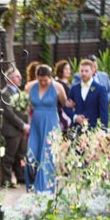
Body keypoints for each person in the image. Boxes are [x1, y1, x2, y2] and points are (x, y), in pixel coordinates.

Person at [26, 65, 70, 193]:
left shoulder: (57, 87)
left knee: (47, 155)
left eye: (45, 80)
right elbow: (27, 106)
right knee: (31, 154)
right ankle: (33, 184)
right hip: (35, 124)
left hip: (51, 123)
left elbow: (64, 104)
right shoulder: (30, 87)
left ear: (50, 77)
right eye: (40, 80)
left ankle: (44, 189)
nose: (43, 82)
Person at [1, 68, 29, 186]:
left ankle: (20, 177)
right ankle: (6, 181)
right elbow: (9, 113)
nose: (20, 78)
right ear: (10, 79)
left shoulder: (19, 92)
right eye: (17, 76)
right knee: (9, 156)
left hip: (21, 130)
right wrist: (22, 125)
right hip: (12, 130)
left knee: (20, 155)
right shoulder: (5, 93)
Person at [68, 59, 109, 131]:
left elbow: (104, 112)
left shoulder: (100, 89)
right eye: (81, 71)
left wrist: (103, 131)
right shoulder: (74, 88)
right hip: (76, 130)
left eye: (86, 71)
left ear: (93, 71)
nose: (83, 73)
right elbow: (66, 107)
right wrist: (75, 117)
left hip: (93, 130)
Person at [54, 59, 75, 132]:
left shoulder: (69, 84)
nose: (68, 71)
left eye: (69, 69)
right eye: (65, 69)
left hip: (71, 111)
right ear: (60, 70)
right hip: (61, 112)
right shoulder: (57, 83)